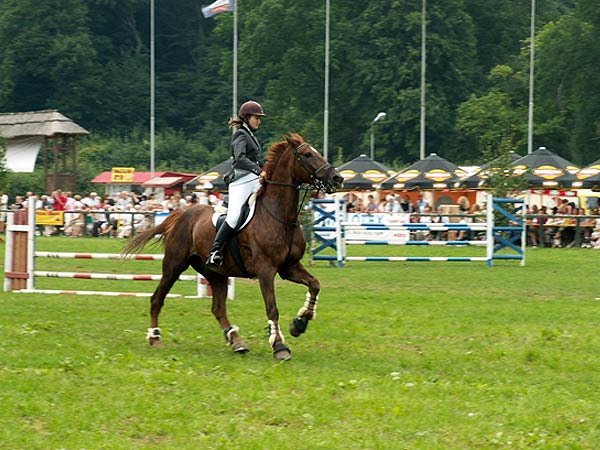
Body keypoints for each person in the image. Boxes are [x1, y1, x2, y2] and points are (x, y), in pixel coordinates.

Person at [207, 100, 267, 267]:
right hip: (241, 182)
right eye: (257, 118)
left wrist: (267, 170)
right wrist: (259, 171)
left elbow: (256, 160)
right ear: (247, 118)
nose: (259, 121)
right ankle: (215, 251)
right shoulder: (240, 134)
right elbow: (240, 158)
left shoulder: (251, 135)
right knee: (233, 218)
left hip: (253, 180)